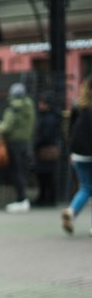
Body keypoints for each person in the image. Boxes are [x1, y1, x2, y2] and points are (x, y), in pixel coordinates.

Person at [0, 82, 35, 213]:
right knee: (21, 171)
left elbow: (6, 127)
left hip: (14, 142)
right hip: (25, 142)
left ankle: (21, 200)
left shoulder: (14, 108)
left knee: (16, 172)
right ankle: (22, 199)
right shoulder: (29, 106)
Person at [61, 75, 92, 236]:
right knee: (88, 187)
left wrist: (71, 152)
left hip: (79, 154)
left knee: (86, 186)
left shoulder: (77, 107)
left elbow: (69, 132)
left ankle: (72, 211)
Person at [33, 91, 61, 206]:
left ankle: (47, 199)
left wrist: (37, 143)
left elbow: (46, 135)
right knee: (46, 176)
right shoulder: (51, 117)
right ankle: (46, 198)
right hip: (48, 149)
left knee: (46, 176)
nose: (39, 106)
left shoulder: (48, 118)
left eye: (42, 103)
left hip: (46, 150)